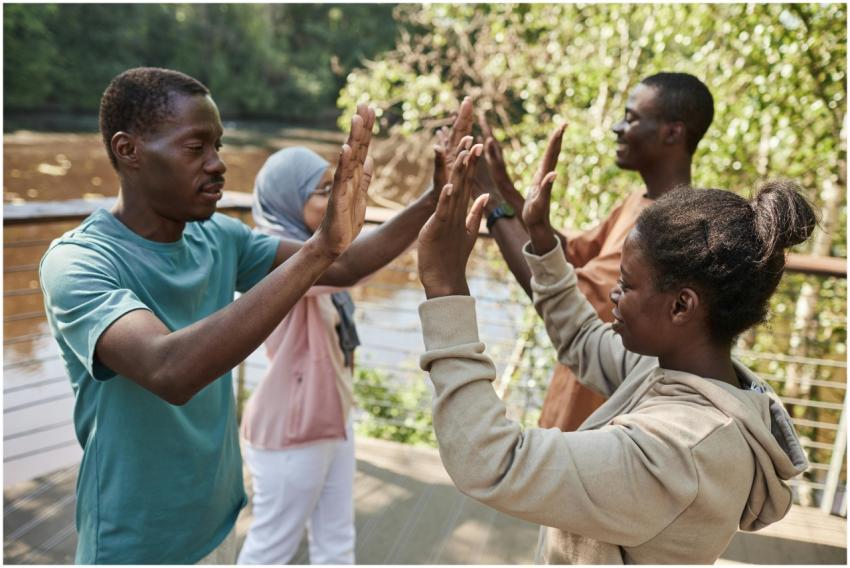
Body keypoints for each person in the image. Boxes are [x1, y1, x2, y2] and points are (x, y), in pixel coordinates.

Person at [38, 66, 429, 564]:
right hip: (133, 540)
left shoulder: (218, 237)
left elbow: (345, 264)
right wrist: (319, 250)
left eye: (218, 146)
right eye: (195, 147)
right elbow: (168, 369)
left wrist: (435, 196)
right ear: (128, 150)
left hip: (216, 521)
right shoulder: (79, 262)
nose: (218, 164)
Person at [415, 118, 813, 563]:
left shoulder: (679, 452)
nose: (612, 294)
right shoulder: (675, 374)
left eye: (626, 284)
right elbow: (583, 339)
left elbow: (496, 462)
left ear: (681, 306)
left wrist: (446, 287)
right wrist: (543, 242)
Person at [237, 96, 475, 565]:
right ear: (286, 199)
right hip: (290, 432)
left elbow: (347, 260)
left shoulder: (309, 252)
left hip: (332, 420)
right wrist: (431, 198)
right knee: (271, 549)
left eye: (332, 185)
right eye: (321, 190)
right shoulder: (273, 259)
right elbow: (348, 266)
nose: (333, 198)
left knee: (337, 543)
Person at [474, 72, 714, 432]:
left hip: (599, 414)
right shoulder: (639, 200)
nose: (618, 128)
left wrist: (490, 201)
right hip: (574, 391)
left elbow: (561, 291)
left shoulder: (668, 225)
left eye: (632, 119)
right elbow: (569, 255)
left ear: (672, 132)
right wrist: (507, 187)